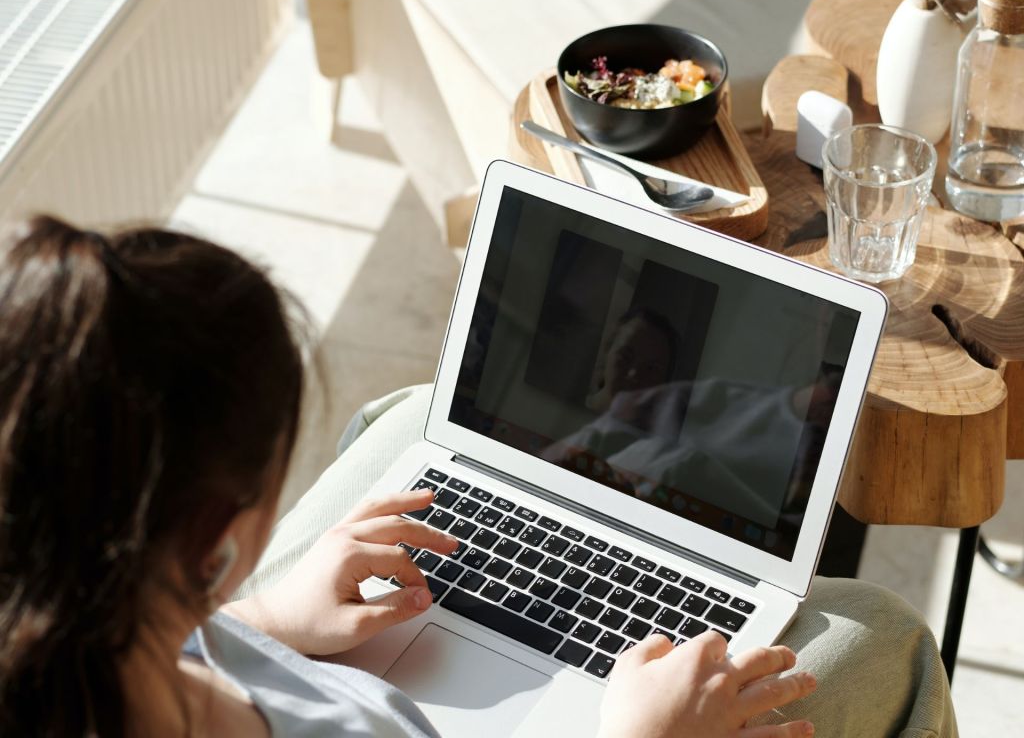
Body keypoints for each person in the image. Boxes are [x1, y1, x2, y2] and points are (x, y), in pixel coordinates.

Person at [0, 216, 958, 737]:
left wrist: (254, 626)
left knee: (413, 414)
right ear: (216, 540)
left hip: (293, 646)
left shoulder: (107, 653)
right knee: (891, 639)